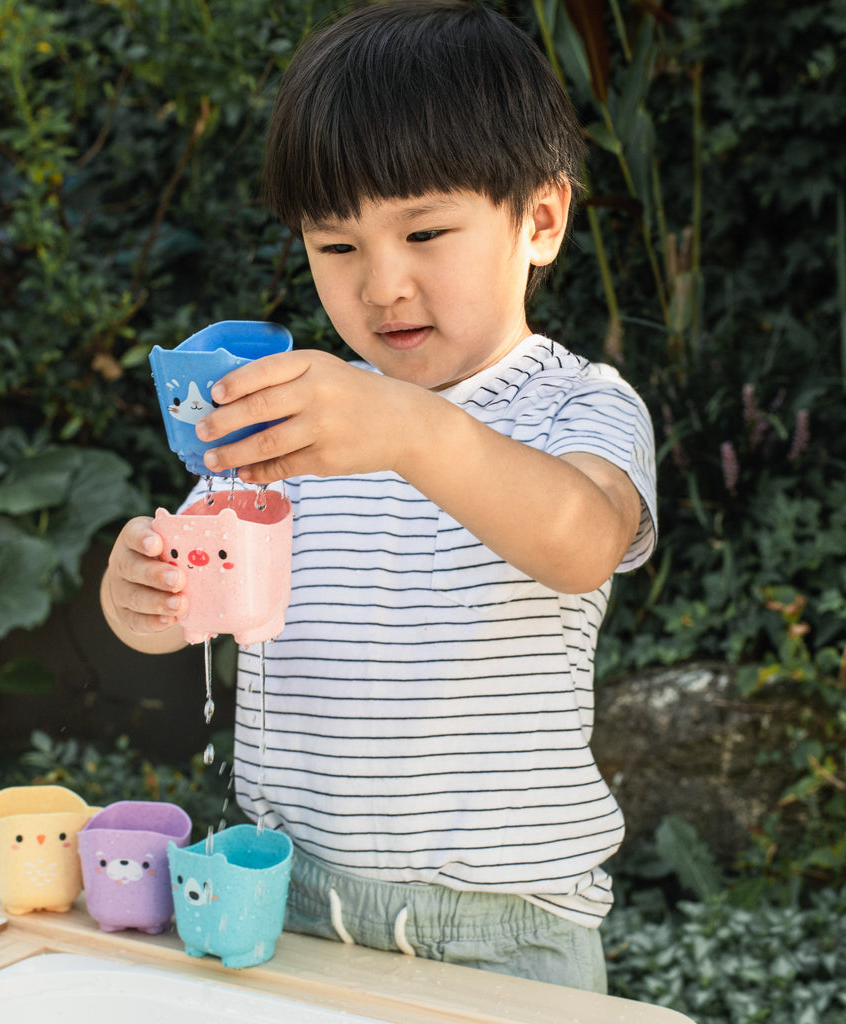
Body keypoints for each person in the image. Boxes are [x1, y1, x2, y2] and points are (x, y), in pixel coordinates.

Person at [100, 0, 657, 993]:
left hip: (503, 923)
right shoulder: (285, 415)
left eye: (426, 231)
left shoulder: (577, 404)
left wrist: (406, 428)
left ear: (539, 218)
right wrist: (141, 594)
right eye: (338, 246)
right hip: (287, 896)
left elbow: (580, 541)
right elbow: (194, 594)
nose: (382, 285)